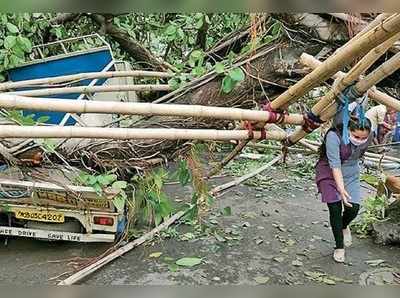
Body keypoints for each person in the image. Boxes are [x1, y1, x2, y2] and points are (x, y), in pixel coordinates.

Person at [316, 115, 373, 263]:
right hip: (329, 172)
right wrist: (340, 189)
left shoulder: (369, 136)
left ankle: (344, 225)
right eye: (356, 136)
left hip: (351, 173)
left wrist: (344, 188)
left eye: (363, 138)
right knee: (335, 208)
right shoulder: (333, 137)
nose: (360, 140)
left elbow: (359, 154)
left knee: (353, 208)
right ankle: (339, 246)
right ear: (348, 129)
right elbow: (334, 165)